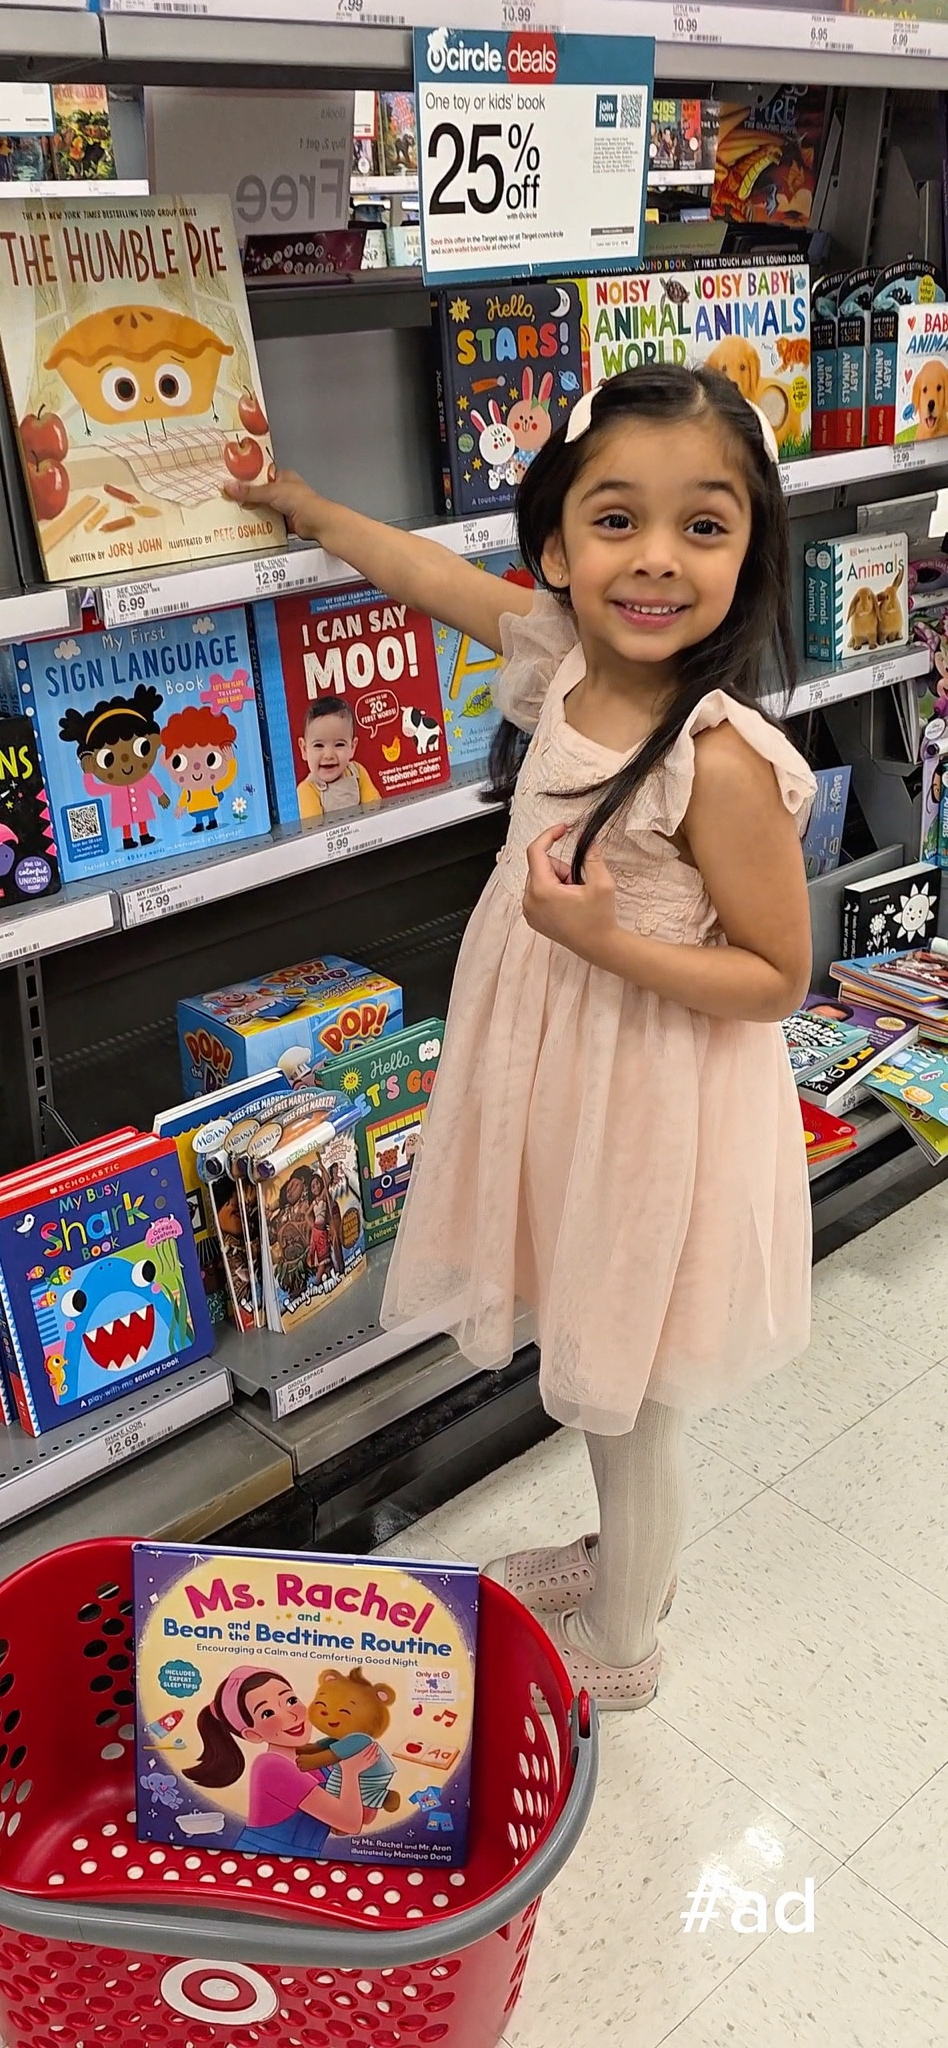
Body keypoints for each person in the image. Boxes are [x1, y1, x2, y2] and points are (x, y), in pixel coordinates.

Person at [227, 365, 815, 1710]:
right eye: (616, 520)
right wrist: (311, 508)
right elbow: (430, 579)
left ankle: (623, 1641)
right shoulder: (568, 660)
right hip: (565, 1077)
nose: (655, 557)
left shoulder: (719, 758)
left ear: (749, 551)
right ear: (555, 547)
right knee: (594, 1343)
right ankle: (624, 1563)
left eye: (703, 525)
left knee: (636, 1388)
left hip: (653, 1096)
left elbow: (778, 976)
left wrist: (606, 943)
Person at [183, 1666, 375, 1854]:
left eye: (291, 1700)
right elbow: (350, 1823)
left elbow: (363, 1817)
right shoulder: (271, 1766)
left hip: (302, 1861)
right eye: (267, 1713)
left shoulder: (318, 1759)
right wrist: (351, 1772)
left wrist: (371, 1770)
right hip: (261, 1858)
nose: (290, 1715)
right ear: (253, 1735)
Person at [296, 694, 381, 818]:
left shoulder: (357, 772)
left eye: (339, 744)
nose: (329, 755)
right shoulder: (308, 789)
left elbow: (374, 808)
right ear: (304, 749)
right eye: (319, 745)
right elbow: (314, 827)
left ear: (352, 747)